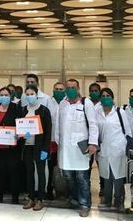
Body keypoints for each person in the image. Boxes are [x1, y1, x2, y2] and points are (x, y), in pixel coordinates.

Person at [56, 79, 98, 217]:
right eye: (68, 87)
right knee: (68, 176)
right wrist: (57, 140)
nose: (70, 89)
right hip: (65, 148)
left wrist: (93, 143)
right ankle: (74, 199)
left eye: (73, 87)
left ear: (78, 88)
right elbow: (58, 123)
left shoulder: (86, 103)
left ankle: (85, 204)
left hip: (81, 148)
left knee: (82, 177)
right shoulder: (62, 104)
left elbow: (93, 124)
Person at [96, 88, 130, 212]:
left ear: (112, 97)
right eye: (103, 96)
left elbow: (128, 132)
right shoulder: (97, 112)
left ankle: (118, 202)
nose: (106, 98)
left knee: (118, 178)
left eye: (108, 95)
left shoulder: (120, 112)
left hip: (118, 150)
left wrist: (124, 147)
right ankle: (107, 201)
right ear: (100, 99)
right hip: (104, 149)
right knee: (106, 177)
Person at [20, 85, 52, 211]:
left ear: (37, 95)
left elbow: (48, 131)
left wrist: (45, 149)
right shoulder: (23, 110)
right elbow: (19, 126)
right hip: (27, 146)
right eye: (27, 94)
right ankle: (31, 197)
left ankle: (40, 199)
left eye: (31, 94)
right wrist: (21, 135)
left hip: (39, 146)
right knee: (29, 172)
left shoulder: (44, 110)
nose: (29, 96)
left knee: (40, 172)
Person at [0, 87, 21, 204]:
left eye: (6, 95)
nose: (4, 97)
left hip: (12, 147)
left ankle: (15, 196)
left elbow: (21, 124)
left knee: (13, 171)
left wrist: (19, 134)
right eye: (2, 95)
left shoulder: (16, 108)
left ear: (10, 96)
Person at [46, 81, 65, 200]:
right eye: (56, 89)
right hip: (51, 141)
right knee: (50, 166)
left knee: (64, 167)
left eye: (61, 89)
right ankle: (49, 189)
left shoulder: (67, 103)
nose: (58, 91)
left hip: (64, 142)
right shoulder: (48, 103)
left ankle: (64, 191)